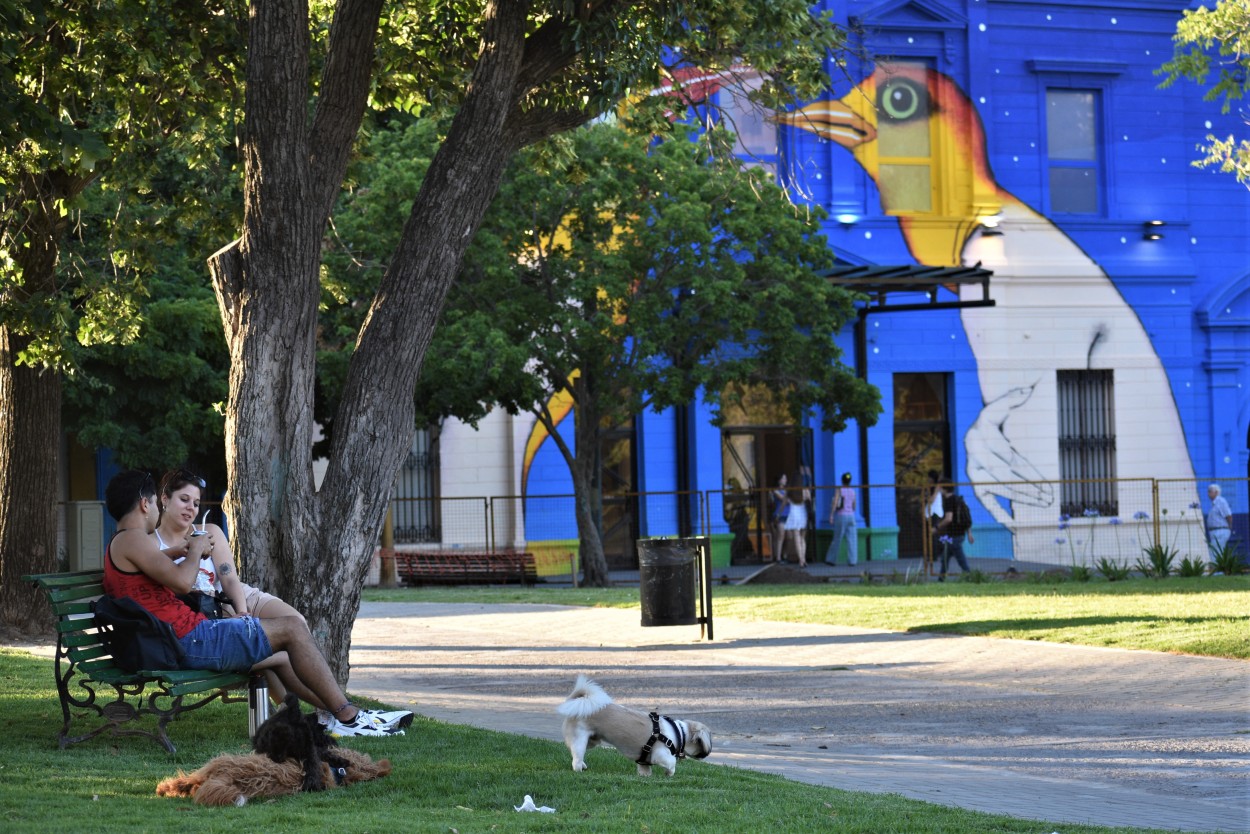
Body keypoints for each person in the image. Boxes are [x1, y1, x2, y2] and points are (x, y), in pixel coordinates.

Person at [102, 469, 410, 737]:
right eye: (155, 502)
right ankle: (348, 716)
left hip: (182, 638)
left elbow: (161, 567)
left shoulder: (124, 542)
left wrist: (183, 550)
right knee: (291, 628)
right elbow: (182, 582)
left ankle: (339, 716)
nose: (156, 507)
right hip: (189, 640)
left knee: (284, 651)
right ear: (146, 504)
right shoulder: (134, 538)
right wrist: (195, 549)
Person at [935, 482, 973, 581]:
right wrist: (969, 533)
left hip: (954, 535)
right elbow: (967, 516)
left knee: (960, 559)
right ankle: (941, 579)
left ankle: (970, 576)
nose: (939, 490)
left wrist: (936, 527)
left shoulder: (949, 501)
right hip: (958, 534)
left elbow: (948, 519)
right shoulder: (958, 499)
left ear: (944, 489)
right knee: (945, 557)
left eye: (940, 488)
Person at [825, 472, 858, 566]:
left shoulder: (839, 489)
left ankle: (831, 560)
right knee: (852, 539)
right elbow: (854, 506)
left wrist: (831, 515)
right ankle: (852, 561)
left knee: (837, 538)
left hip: (841, 516)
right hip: (851, 516)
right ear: (850, 481)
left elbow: (835, 502)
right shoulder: (853, 491)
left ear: (842, 480)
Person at [1205, 483, 1233, 563]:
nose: (1208, 494)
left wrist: (1229, 527)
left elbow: (1228, 515)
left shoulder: (1221, 501)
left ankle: (1218, 571)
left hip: (1220, 531)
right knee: (1216, 550)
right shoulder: (1214, 503)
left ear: (1216, 492)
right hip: (1215, 532)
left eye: (1210, 491)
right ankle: (1218, 570)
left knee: (1215, 551)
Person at [783, 487, 809, 567]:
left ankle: (801, 560)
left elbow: (784, 503)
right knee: (802, 538)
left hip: (794, 515)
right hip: (803, 514)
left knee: (797, 538)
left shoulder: (790, 490)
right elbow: (809, 501)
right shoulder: (805, 490)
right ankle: (803, 559)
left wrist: (779, 514)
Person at [770, 473, 790, 562]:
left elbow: (791, 500)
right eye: (783, 478)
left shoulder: (788, 491)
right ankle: (778, 557)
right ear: (779, 480)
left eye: (786, 478)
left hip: (789, 516)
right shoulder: (776, 491)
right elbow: (784, 499)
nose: (785, 480)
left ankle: (785, 554)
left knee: (789, 537)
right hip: (780, 515)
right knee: (780, 536)